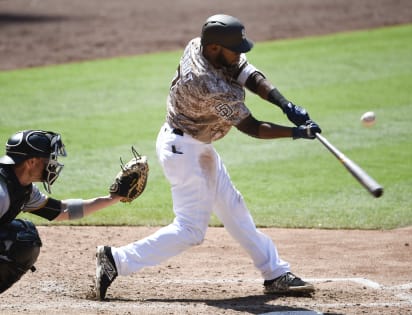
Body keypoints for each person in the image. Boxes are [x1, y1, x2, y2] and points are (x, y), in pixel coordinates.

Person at [95, 14, 321, 300]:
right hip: (183, 151)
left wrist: (283, 102)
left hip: (195, 145)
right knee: (190, 230)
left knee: (233, 208)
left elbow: (246, 72)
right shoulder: (206, 84)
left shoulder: (199, 45)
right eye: (235, 48)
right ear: (214, 48)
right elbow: (252, 127)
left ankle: (275, 273)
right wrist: (295, 133)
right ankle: (115, 260)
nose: (239, 53)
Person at [0, 129, 123, 294]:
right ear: (31, 162)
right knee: (18, 241)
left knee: (25, 237)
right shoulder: (2, 193)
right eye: (49, 158)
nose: (53, 163)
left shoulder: (22, 188)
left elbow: (62, 210)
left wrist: (112, 198)